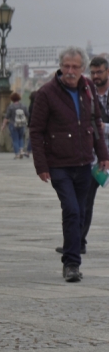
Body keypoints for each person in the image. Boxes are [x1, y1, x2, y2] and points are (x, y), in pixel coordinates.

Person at [29, 47, 109, 283]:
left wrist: (102, 154)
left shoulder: (88, 89)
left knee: (80, 212)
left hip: (85, 162)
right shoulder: (47, 93)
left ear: (82, 69)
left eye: (75, 67)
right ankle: (72, 263)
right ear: (61, 66)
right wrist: (41, 165)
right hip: (59, 164)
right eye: (66, 66)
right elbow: (36, 130)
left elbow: (95, 123)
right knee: (72, 210)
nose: (70, 71)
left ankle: (72, 254)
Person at [58, 56, 109, 256]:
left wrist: (103, 128)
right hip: (93, 158)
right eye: (93, 73)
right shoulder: (85, 92)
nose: (96, 76)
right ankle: (77, 242)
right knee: (84, 200)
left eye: (99, 72)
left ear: (107, 72)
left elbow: (95, 125)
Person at [1, 92, 29, 159]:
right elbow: (28, 115)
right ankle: (21, 150)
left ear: (12, 99)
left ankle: (17, 154)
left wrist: (3, 125)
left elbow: (6, 117)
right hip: (22, 124)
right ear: (19, 98)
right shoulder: (23, 106)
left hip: (13, 125)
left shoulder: (11, 107)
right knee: (21, 138)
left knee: (15, 140)